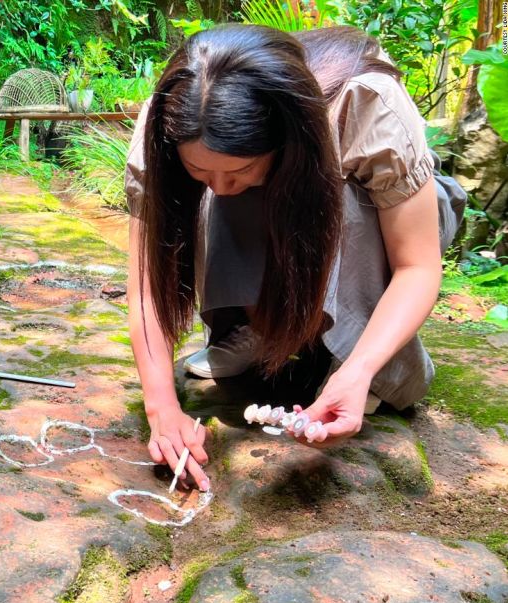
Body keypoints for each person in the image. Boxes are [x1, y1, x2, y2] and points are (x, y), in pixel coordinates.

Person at [122, 24, 468, 491]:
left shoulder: (364, 103)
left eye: (240, 169)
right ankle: (255, 330)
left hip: (388, 219)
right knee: (222, 194)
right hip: (282, 209)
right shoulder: (166, 122)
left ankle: (351, 348)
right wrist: (161, 407)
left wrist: (359, 371)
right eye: (198, 170)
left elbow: (418, 266)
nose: (219, 187)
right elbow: (146, 283)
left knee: (344, 205)